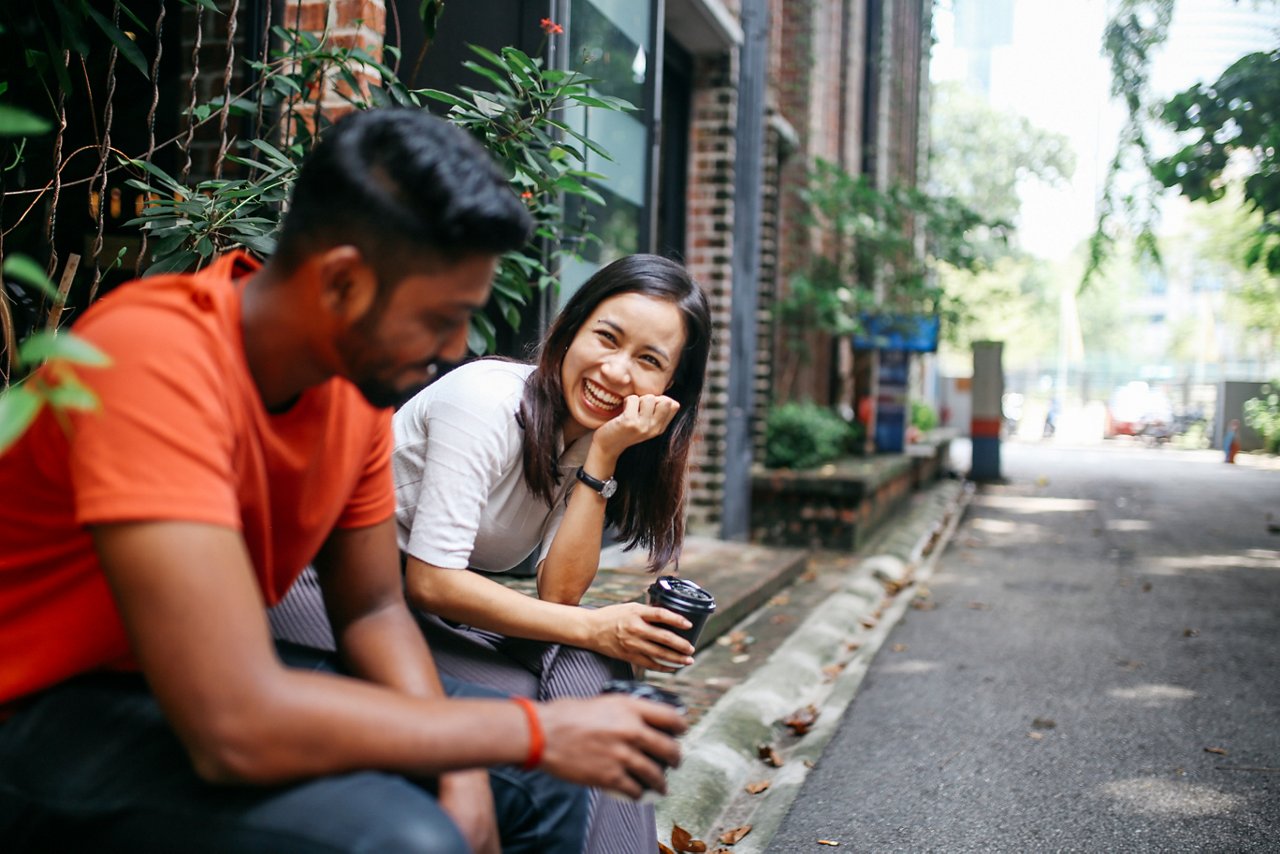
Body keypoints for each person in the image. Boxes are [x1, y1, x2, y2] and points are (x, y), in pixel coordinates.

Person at [0, 108, 686, 853]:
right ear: (343, 282)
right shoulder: (154, 360)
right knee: (404, 838)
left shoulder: (351, 394)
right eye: (441, 317)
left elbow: (372, 612)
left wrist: (464, 764)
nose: (456, 347)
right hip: (43, 706)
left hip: (176, 685)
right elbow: (231, 726)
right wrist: (526, 729)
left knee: (540, 782)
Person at [272, 254, 712, 852]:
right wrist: (597, 628)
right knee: (585, 675)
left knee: (596, 674)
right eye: (607, 337)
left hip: (407, 613)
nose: (616, 371)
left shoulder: (590, 437)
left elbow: (559, 594)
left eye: (649, 361)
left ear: (669, 390)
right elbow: (434, 581)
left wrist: (603, 458)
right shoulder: (485, 401)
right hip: (329, 600)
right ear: (572, 329)